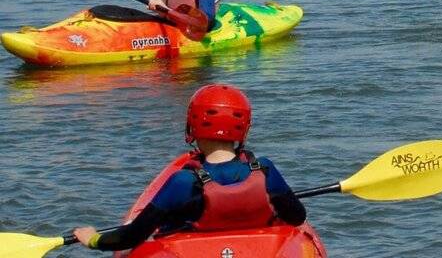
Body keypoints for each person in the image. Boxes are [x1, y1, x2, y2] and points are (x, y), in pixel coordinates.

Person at [71, 85, 307, 252]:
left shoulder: (183, 181)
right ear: (244, 128)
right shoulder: (263, 169)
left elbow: (130, 237)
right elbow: (297, 217)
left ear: (192, 125)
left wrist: (93, 239)